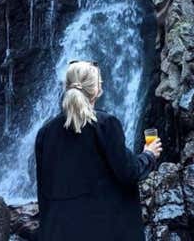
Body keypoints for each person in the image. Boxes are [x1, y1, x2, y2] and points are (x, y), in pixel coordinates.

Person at [35, 60, 162, 241]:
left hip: (60, 231)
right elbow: (128, 172)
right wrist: (149, 155)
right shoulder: (106, 124)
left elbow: (44, 190)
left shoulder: (45, 133)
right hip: (105, 229)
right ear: (96, 90)